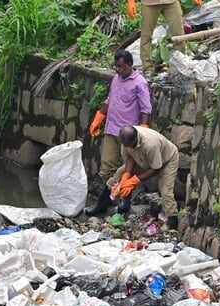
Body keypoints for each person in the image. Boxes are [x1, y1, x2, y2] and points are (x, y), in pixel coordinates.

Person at [86, 125, 179, 230]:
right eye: (125, 145)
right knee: (118, 175)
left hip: (167, 160)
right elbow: (130, 157)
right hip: (144, 159)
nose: (126, 147)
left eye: (129, 145)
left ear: (134, 140)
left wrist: (134, 181)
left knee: (166, 191)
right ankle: (102, 205)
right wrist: (126, 176)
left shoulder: (150, 144)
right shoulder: (126, 140)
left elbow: (156, 168)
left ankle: (172, 221)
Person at [88, 50, 152, 186]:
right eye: (116, 66)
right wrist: (98, 118)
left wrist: (144, 128)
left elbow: (145, 109)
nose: (118, 70)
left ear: (129, 65)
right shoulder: (116, 79)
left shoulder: (139, 83)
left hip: (127, 133)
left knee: (127, 167)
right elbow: (109, 100)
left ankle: (124, 196)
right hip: (111, 129)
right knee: (106, 166)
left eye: (120, 67)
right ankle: (103, 196)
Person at [127, 0, 186, 73]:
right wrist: (131, 1)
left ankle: (180, 66)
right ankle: (147, 68)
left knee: (179, 34)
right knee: (146, 36)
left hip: (171, 2)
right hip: (149, 3)